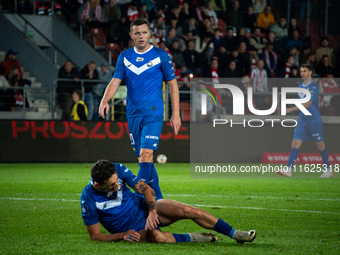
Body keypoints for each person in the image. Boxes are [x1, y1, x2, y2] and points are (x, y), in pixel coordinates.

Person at [99, 18, 181, 201]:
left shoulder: (161, 55)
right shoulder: (125, 56)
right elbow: (115, 81)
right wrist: (105, 100)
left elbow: (173, 86)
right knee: (144, 160)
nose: (141, 36)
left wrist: (175, 114)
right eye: (137, 33)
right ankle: (157, 201)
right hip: (133, 115)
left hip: (153, 113)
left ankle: (136, 201)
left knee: (146, 154)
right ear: (131, 35)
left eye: (144, 32)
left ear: (150, 34)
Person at [81, 160, 257, 243]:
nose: (117, 187)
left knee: (189, 210)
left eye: (116, 182)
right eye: (111, 186)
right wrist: (121, 235)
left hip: (144, 209)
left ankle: (235, 234)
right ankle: (194, 238)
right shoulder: (88, 199)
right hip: (131, 228)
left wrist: (152, 211)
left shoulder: (117, 169)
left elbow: (147, 190)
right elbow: (95, 236)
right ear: (98, 184)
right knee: (157, 236)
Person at [276, 64, 333, 178]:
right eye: (301, 71)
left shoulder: (314, 86)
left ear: (310, 72)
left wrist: (291, 109)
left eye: (305, 71)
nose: (302, 73)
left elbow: (308, 103)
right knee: (295, 143)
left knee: (320, 145)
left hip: (313, 119)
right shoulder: (301, 86)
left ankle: (328, 170)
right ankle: (288, 170)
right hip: (303, 119)